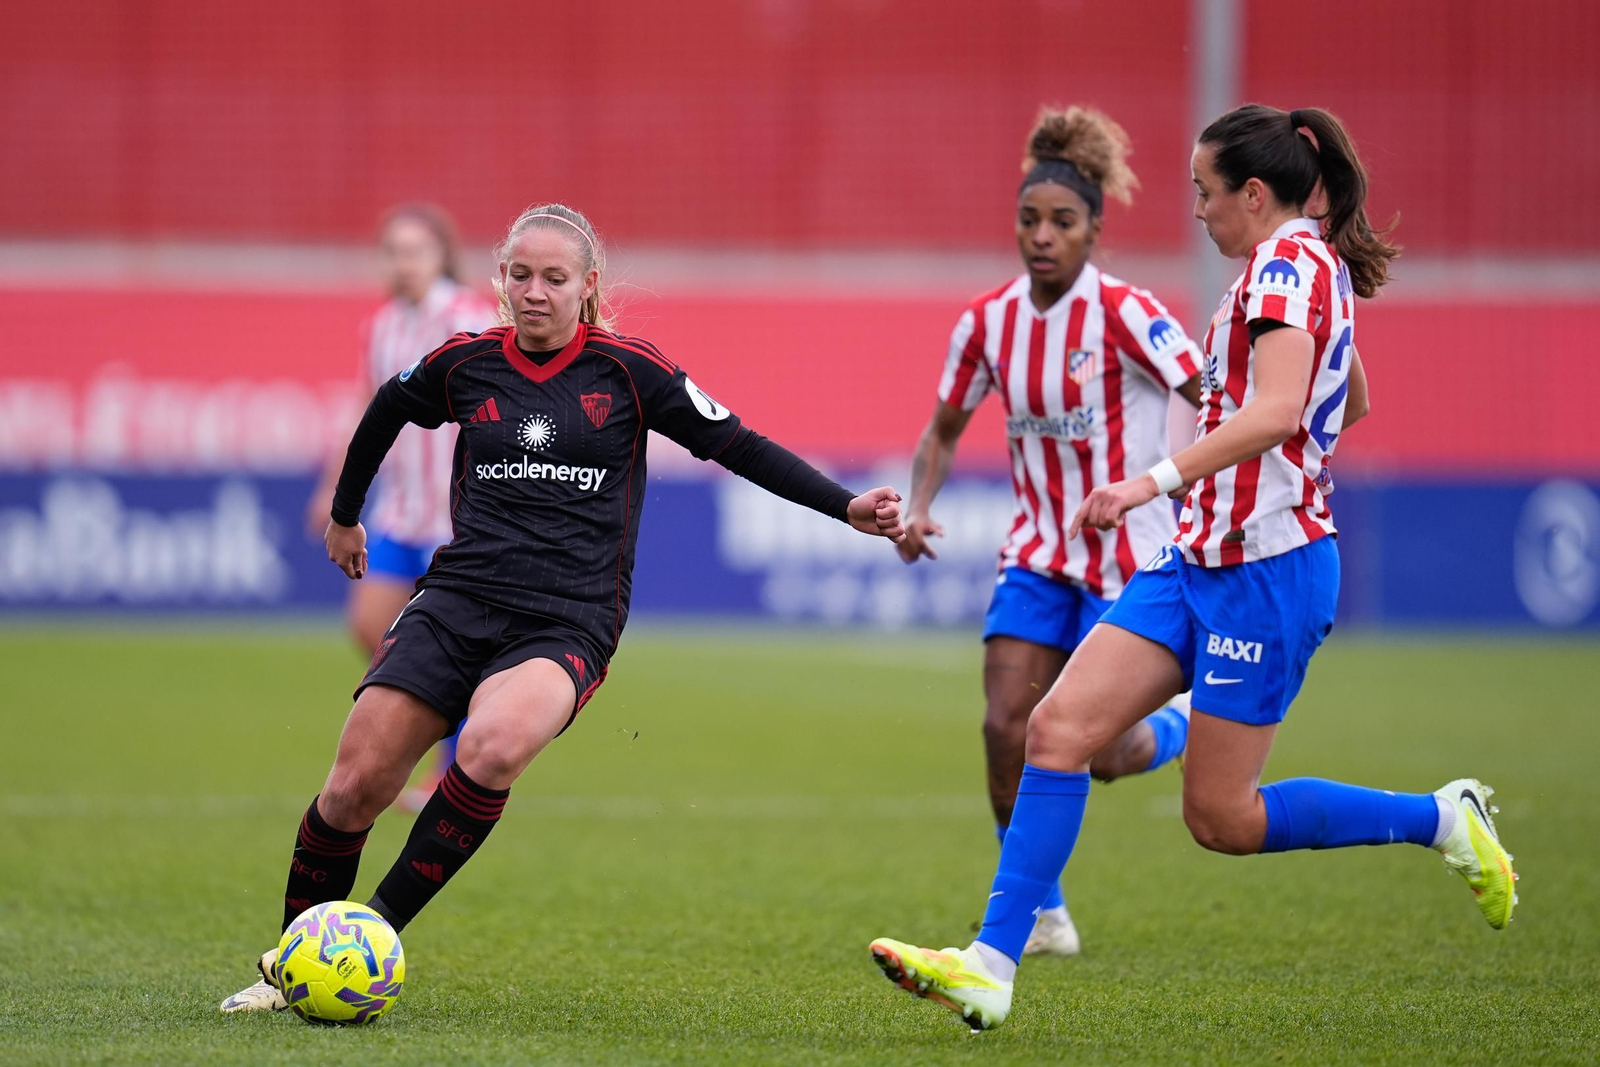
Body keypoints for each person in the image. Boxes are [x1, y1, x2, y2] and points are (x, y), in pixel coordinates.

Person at [868, 104, 1516, 1032]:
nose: (1197, 212)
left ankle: (1442, 819)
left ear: (1254, 193)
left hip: (1269, 570)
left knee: (1222, 819)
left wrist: (1150, 481)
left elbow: (1282, 407)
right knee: (1054, 731)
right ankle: (991, 964)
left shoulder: (1291, 266)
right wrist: (1264, 462)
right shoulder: (1278, 270)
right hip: (1197, 556)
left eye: (1204, 194)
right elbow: (1349, 396)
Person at [222, 202, 907, 1012]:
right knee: (353, 785)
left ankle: (368, 935)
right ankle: (290, 964)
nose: (535, 291)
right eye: (520, 274)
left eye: (554, 277)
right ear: (499, 281)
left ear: (588, 286)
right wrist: (344, 513)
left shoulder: (629, 371)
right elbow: (387, 408)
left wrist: (847, 507)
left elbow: (740, 445)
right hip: (455, 599)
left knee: (494, 745)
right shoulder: (465, 362)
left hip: (568, 618)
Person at [898, 107, 1203, 958]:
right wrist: (920, 504)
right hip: (1038, 551)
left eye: (1062, 222)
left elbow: (1208, 392)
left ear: (1095, 230)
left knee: (1104, 754)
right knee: (1005, 724)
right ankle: (1041, 911)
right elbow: (944, 430)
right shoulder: (986, 323)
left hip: (1128, 558)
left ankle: (1179, 725)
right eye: (1029, 220)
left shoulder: (1127, 312)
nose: (1042, 236)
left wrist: (1176, 474)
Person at [306, 204, 495, 809]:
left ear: (443, 255)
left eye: (417, 250)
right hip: (398, 511)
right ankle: (451, 719)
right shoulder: (383, 325)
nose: (404, 262)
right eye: (394, 251)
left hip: (455, 515)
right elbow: (365, 414)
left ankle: (452, 767)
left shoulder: (471, 318)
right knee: (369, 627)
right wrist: (334, 493)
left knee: (441, 639)